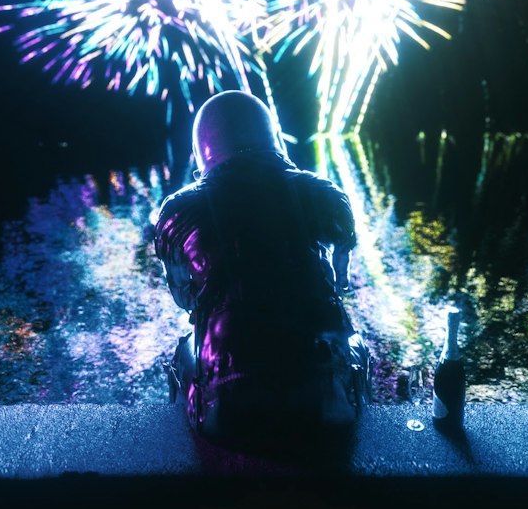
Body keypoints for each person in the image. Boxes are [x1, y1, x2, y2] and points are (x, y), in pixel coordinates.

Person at [153, 90, 371, 443]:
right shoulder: (325, 196)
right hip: (325, 404)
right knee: (354, 344)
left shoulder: (179, 212)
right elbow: (339, 283)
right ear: (272, 138)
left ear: (201, 151)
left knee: (185, 349)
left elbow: (185, 299)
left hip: (227, 412)